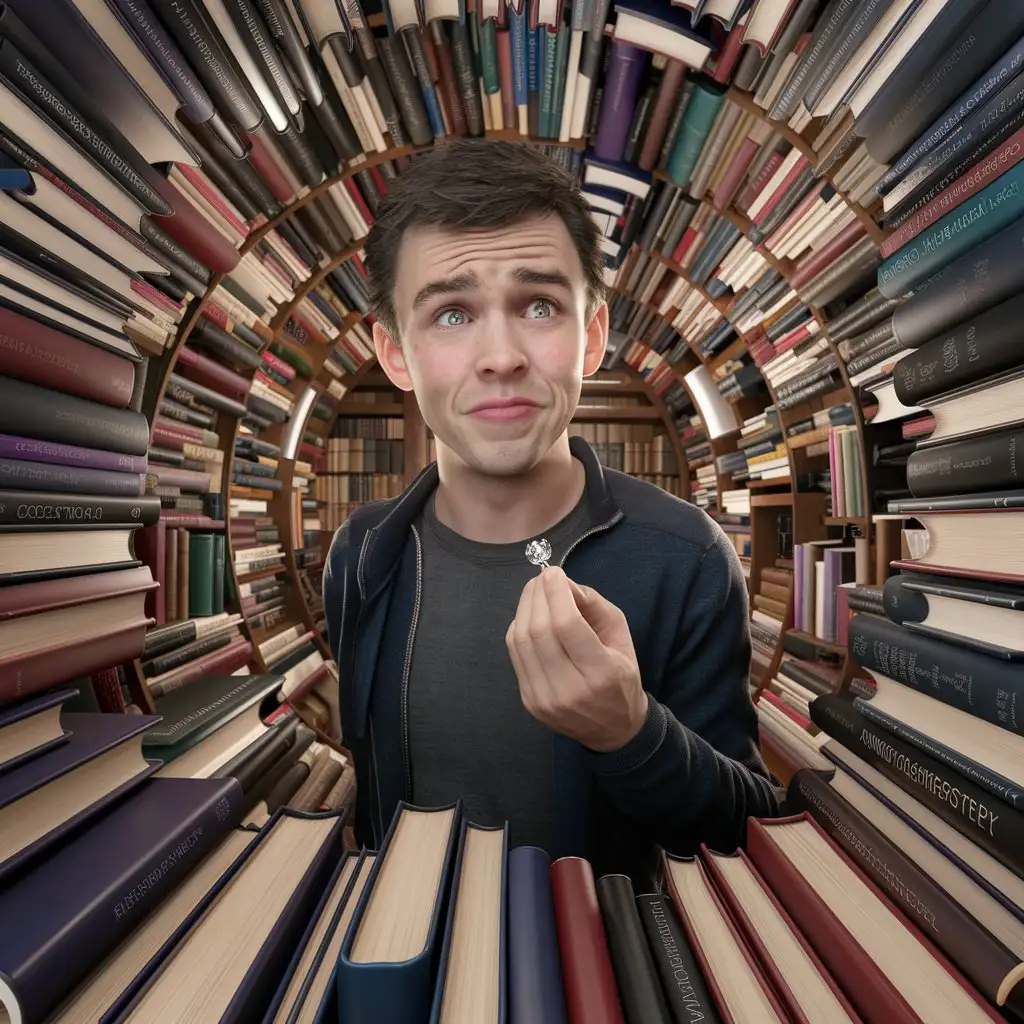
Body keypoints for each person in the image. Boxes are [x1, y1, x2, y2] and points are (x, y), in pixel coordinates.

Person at [323, 138, 778, 884]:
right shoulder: (362, 553)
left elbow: (750, 838)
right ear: (394, 352)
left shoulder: (689, 558)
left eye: (538, 305)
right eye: (450, 314)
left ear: (591, 335)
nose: (500, 355)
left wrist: (631, 733)